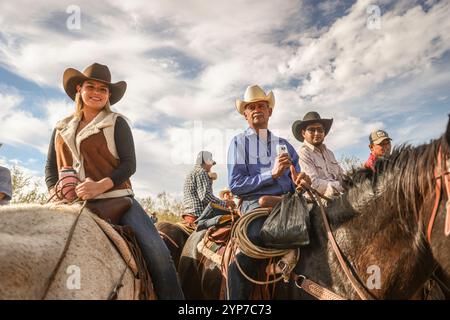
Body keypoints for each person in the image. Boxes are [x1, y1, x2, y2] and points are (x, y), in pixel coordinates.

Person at [44, 62, 183, 299]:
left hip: (117, 199)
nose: (97, 93)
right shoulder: (61, 128)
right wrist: (56, 191)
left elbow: (129, 164)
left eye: (103, 89)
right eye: (91, 87)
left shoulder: (116, 122)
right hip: (68, 204)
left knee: (159, 255)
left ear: (108, 95)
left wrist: (100, 185)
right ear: (79, 89)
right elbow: (50, 169)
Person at [226, 85, 309, 299]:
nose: (256, 110)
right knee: (248, 250)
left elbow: (294, 178)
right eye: (251, 107)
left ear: (269, 111)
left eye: (261, 106)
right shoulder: (239, 142)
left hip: (288, 203)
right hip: (256, 205)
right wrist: (270, 175)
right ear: (245, 115)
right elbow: (235, 184)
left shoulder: (284, 145)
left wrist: (300, 181)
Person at [292, 111, 345, 198]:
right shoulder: (302, 153)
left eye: (320, 130)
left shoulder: (329, 153)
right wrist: (339, 185)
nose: (317, 133)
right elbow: (314, 184)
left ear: (324, 133)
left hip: (339, 196)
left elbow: (341, 176)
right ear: (303, 133)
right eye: (312, 130)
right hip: (318, 200)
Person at [182, 151, 235, 217]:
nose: (211, 166)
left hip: (189, 212)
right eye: (211, 164)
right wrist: (225, 204)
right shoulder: (201, 172)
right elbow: (205, 197)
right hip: (198, 213)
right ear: (207, 161)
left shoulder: (192, 172)